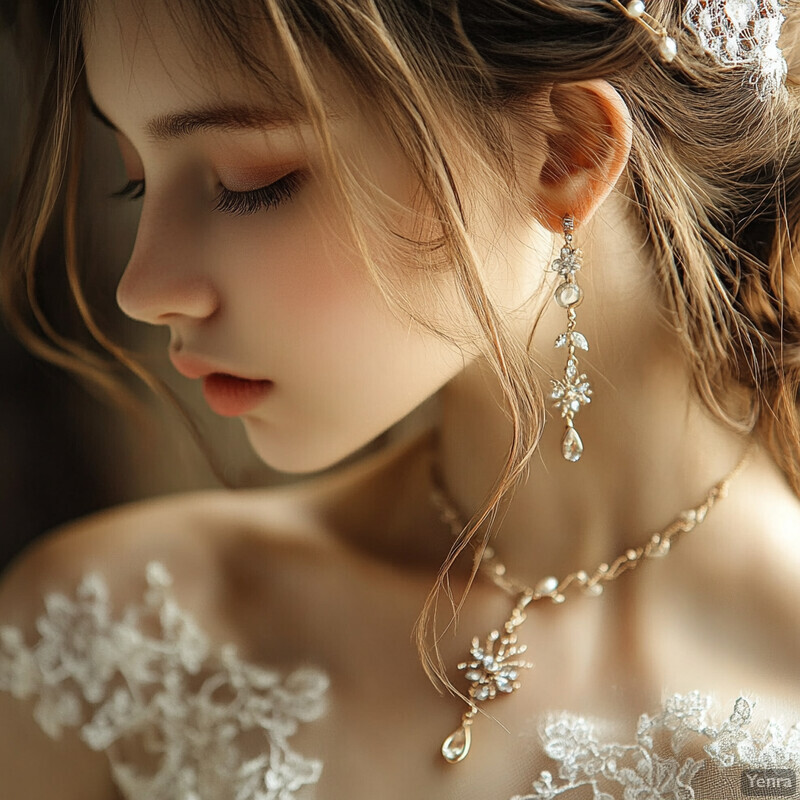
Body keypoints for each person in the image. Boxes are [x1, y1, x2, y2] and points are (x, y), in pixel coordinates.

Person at [1, 0, 800, 797]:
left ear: (565, 152)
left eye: (248, 182)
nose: (143, 290)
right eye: (134, 184)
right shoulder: (107, 642)